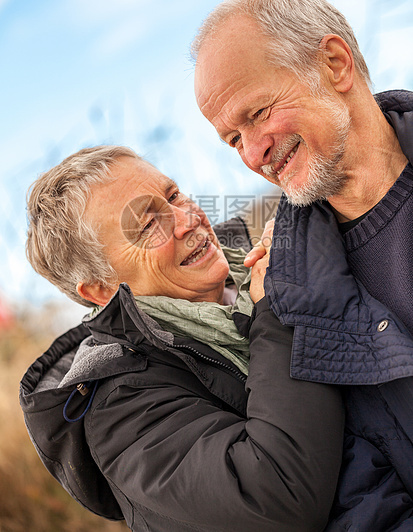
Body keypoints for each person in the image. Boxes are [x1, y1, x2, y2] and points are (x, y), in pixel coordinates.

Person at [20, 145, 344, 532]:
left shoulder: (274, 266)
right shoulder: (122, 416)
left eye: (173, 196)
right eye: (145, 227)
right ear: (102, 290)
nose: (187, 220)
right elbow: (277, 499)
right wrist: (277, 311)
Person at [193, 0, 413, 529]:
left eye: (259, 112)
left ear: (335, 64)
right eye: (231, 140)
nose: (252, 153)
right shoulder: (286, 301)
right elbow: (362, 501)